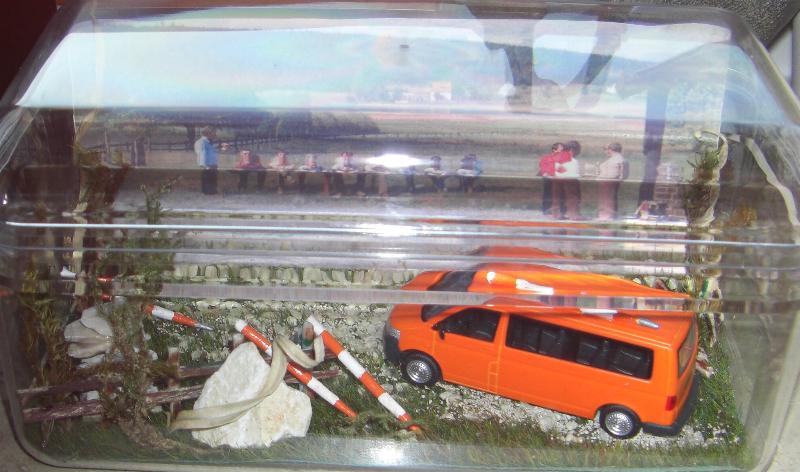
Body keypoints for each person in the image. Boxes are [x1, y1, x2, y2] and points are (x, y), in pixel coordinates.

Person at [596, 142, 627, 220]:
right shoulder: (622, 160)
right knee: (611, 199)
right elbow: (623, 175)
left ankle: (606, 216)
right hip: (610, 183)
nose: (606, 152)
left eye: (606, 149)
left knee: (607, 200)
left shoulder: (616, 160)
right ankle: (609, 215)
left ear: (610, 150)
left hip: (608, 183)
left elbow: (620, 175)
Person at [552, 140, 582, 219]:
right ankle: (573, 214)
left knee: (557, 196)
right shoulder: (573, 161)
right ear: (572, 150)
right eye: (578, 150)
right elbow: (575, 175)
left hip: (557, 180)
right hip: (569, 181)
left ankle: (557, 214)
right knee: (573, 194)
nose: (578, 153)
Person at [538, 143, 568, 215]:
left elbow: (564, 171)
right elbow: (543, 170)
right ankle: (547, 209)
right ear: (554, 150)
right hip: (549, 180)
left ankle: (560, 209)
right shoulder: (546, 158)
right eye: (561, 150)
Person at [195, 127, 218, 195]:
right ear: (208, 134)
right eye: (213, 133)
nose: (214, 135)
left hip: (211, 164)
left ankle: (212, 191)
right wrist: (205, 165)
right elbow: (202, 154)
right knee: (208, 177)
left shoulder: (209, 142)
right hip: (208, 164)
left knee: (212, 177)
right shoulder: (203, 142)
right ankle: (208, 191)